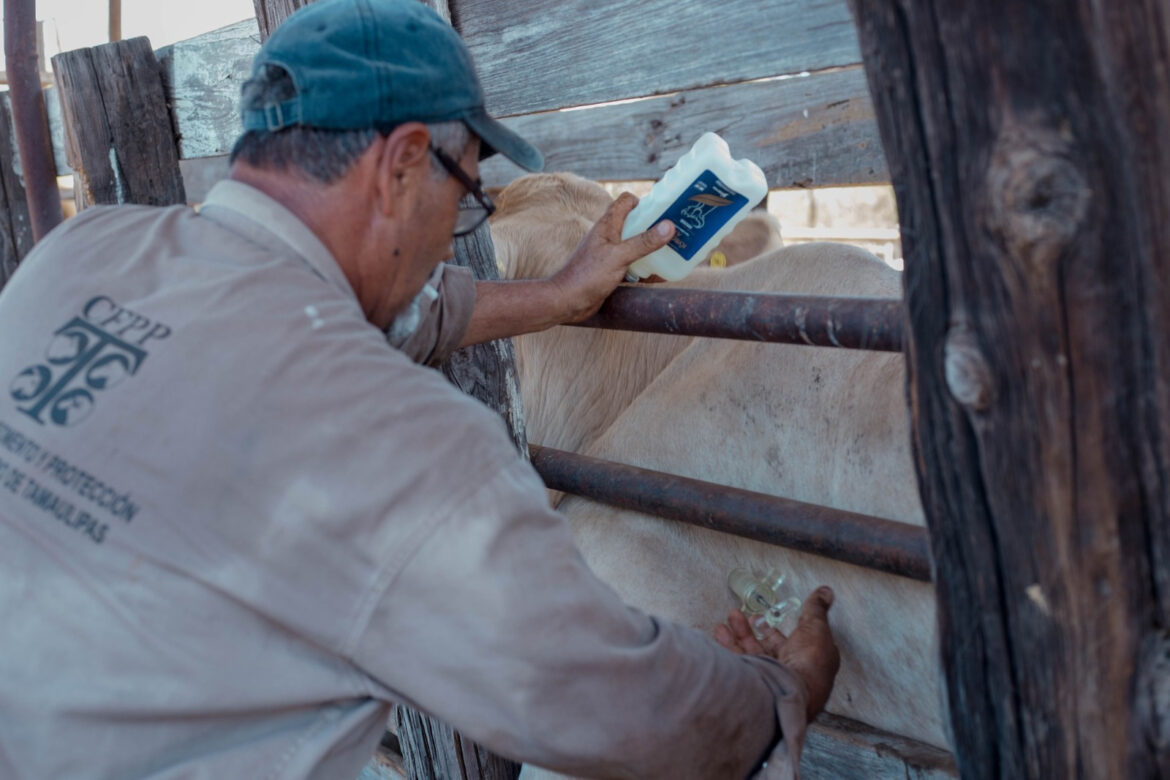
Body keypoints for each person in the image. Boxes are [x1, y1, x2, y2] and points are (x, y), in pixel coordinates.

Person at [0, 0, 839, 777]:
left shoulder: (81, 255)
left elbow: (334, 310)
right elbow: (611, 700)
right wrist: (782, 694)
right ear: (403, 161)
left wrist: (557, 293)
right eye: (468, 189)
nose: (454, 232)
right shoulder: (400, 445)